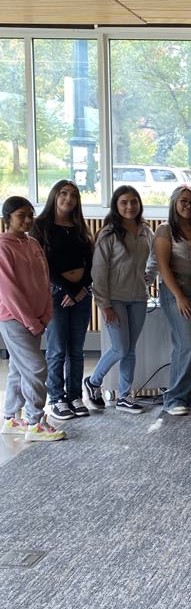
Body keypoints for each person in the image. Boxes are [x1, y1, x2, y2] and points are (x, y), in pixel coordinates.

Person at [0, 196, 66, 441]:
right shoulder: (3, 247)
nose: (28, 220)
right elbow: (9, 291)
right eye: (21, 216)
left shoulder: (33, 243)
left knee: (19, 368)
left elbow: (44, 279)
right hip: (14, 319)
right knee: (36, 367)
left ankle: (11, 418)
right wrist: (30, 321)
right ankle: (35, 421)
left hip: (37, 318)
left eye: (30, 215)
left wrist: (46, 313)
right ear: (7, 218)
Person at [84, 186, 153, 413]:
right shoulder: (108, 233)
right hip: (115, 299)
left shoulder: (145, 231)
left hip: (139, 297)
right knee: (120, 348)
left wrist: (150, 276)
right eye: (124, 202)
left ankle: (124, 396)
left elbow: (154, 258)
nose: (129, 206)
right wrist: (105, 305)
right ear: (116, 205)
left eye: (134, 201)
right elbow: (98, 271)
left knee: (130, 349)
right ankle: (94, 381)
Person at [30, 179, 94, 421]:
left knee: (76, 350)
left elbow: (91, 262)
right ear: (54, 196)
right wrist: (68, 289)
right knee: (57, 350)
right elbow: (42, 264)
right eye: (63, 194)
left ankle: (75, 396)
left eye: (73, 195)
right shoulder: (40, 226)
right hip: (55, 295)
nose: (68, 199)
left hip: (81, 295)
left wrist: (81, 289)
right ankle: (57, 398)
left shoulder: (80, 227)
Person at [153, 186, 191, 415]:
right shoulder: (165, 230)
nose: (188, 205)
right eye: (183, 201)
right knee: (187, 345)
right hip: (176, 294)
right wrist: (179, 296)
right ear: (174, 203)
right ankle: (174, 398)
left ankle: (189, 393)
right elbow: (163, 266)